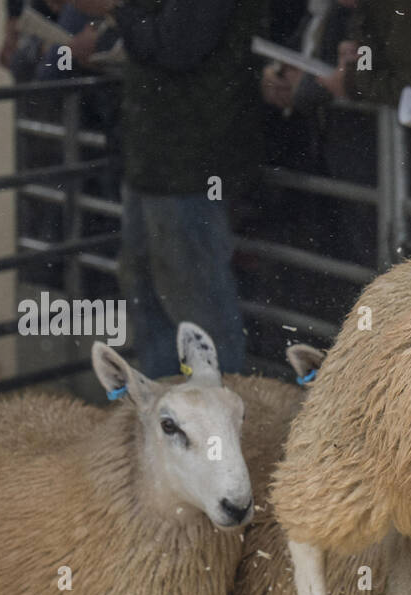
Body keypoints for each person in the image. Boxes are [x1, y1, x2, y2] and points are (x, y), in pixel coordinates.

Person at [72, 0, 268, 378]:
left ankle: (216, 421)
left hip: (188, 161)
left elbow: (179, 46)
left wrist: (114, 8)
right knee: (150, 290)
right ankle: (166, 412)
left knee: (196, 304)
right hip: (155, 158)